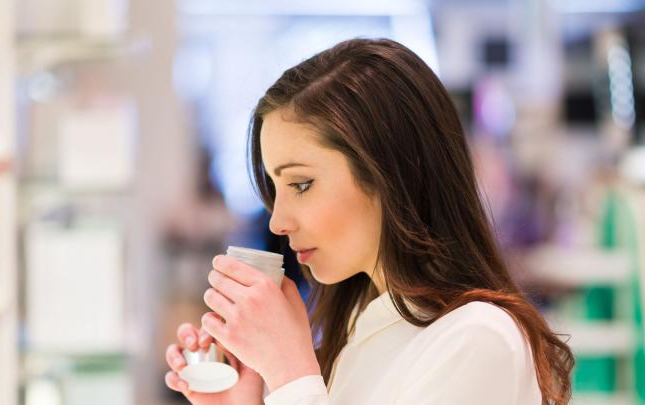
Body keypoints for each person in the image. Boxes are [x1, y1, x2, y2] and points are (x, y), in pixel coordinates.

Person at [165, 38, 574, 405]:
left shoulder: (478, 339)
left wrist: (290, 371)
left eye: (302, 184)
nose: (278, 222)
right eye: (276, 188)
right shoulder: (362, 328)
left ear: (390, 173)